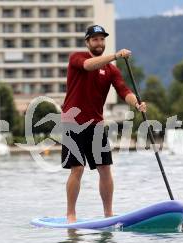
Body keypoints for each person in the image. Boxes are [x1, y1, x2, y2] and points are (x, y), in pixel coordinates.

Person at [61, 25, 147, 223]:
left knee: (105, 168)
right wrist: (115, 55)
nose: (99, 43)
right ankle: (71, 214)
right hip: (73, 122)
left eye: (102, 39)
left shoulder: (111, 70)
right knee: (78, 168)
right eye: (95, 39)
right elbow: (89, 65)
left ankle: (108, 213)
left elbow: (124, 91)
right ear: (88, 42)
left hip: (96, 124)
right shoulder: (76, 58)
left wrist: (137, 104)